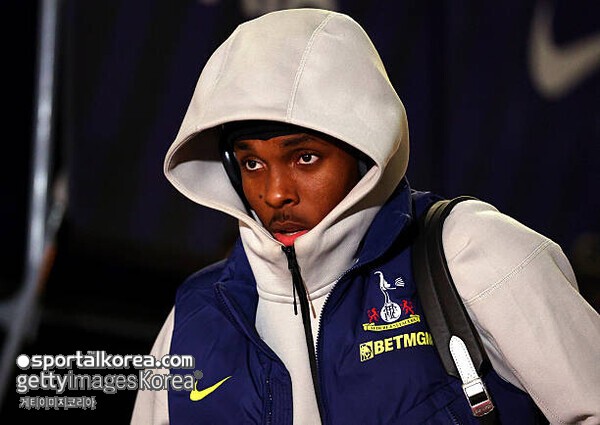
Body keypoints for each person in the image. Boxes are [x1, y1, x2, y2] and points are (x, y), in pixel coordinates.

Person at [131, 8, 600, 425]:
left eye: (305, 158)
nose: (275, 193)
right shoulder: (193, 320)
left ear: (365, 152)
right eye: (252, 163)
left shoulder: (470, 252)